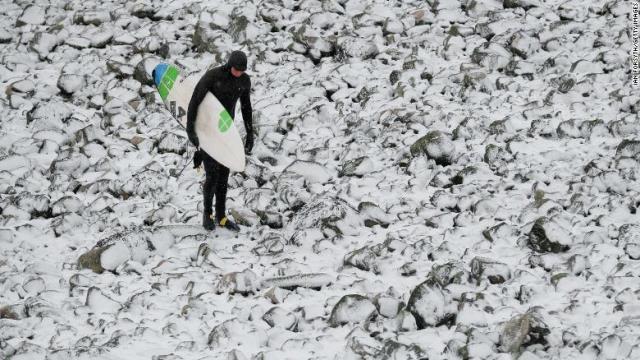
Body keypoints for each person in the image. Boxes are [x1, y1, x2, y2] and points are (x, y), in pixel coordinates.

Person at [186, 50, 254, 231]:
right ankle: (207, 214)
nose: (239, 73)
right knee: (212, 176)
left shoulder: (244, 81)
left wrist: (250, 133)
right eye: (236, 69)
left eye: (242, 70)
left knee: (224, 176)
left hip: (225, 132)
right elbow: (194, 101)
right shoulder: (213, 77)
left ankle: (221, 216)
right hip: (207, 131)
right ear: (229, 65)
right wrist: (190, 130)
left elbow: (246, 107)